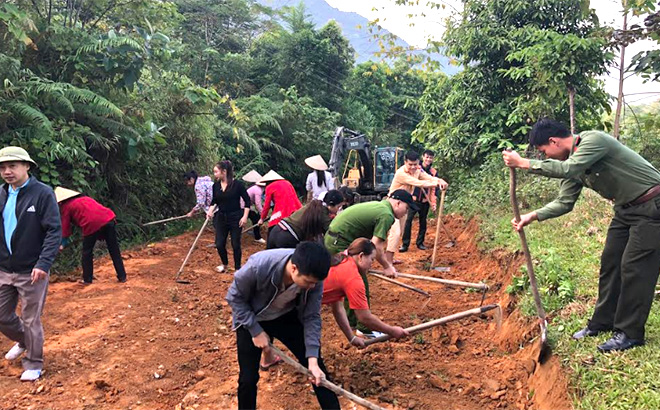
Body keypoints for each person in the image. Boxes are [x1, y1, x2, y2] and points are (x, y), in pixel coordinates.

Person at [502, 118, 660, 353]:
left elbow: (567, 169)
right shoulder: (573, 165)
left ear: (554, 141)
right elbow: (565, 202)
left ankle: (629, 333)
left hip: (651, 206)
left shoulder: (593, 141)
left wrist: (524, 163)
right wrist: (532, 216)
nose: (546, 157)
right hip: (625, 211)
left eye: (544, 151)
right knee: (611, 263)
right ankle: (602, 322)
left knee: (634, 268)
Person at [259, 238, 409, 368]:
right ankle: (314, 372)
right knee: (300, 335)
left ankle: (268, 356)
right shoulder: (353, 279)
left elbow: (337, 307)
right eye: (371, 259)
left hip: (294, 297)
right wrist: (392, 331)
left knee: (270, 316)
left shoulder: (344, 257)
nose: (372, 264)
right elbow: (364, 318)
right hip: (296, 299)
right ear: (361, 256)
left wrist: (350, 337)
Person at [226, 242, 340, 410]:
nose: (312, 287)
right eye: (308, 282)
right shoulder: (258, 266)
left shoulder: (314, 278)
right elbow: (234, 297)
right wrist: (255, 330)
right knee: (248, 379)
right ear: (294, 269)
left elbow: (312, 316)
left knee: (317, 370)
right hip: (252, 317)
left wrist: (313, 361)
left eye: (315, 283)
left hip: (284, 316)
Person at [0, 146, 61, 381]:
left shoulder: (43, 193)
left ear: (27, 166)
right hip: (5, 268)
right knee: (2, 315)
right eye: (3, 167)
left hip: (32, 269)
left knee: (30, 317)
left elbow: (54, 231)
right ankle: (25, 340)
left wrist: (43, 264)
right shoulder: (2, 193)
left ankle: (34, 363)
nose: (7, 171)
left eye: (13, 166)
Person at [324, 190, 416, 332]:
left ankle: (353, 322)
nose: (406, 212)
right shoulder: (386, 215)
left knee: (352, 279)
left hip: (335, 237)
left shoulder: (381, 207)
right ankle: (363, 327)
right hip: (339, 242)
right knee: (357, 282)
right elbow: (376, 245)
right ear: (398, 203)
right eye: (407, 208)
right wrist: (387, 266)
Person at [387, 151, 448, 264]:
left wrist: (439, 180)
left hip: (403, 206)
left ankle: (391, 257)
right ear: (405, 162)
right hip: (392, 205)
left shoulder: (418, 170)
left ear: (418, 163)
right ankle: (388, 262)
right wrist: (436, 184)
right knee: (395, 233)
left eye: (415, 164)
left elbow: (428, 177)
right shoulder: (401, 173)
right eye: (410, 164)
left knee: (399, 232)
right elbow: (417, 182)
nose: (413, 167)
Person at [56, 187, 127, 284]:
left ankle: (87, 279)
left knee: (87, 252)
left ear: (60, 202)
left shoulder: (66, 207)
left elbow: (65, 228)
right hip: (109, 219)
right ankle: (122, 276)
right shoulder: (86, 199)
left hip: (91, 224)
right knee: (114, 249)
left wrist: (63, 244)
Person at [206, 161, 250, 273]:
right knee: (219, 244)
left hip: (236, 217)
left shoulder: (238, 185)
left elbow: (247, 201)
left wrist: (244, 217)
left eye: (216, 172)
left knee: (235, 244)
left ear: (224, 172)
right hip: (221, 217)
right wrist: (210, 211)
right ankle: (225, 264)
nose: (214, 174)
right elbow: (214, 201)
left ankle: (237, 268)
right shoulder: (215, 186)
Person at [267, 190, 344, 249]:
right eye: (338, 207)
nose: (338, 210)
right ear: (331, 204)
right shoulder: (322, 213)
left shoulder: (315, 205)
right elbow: (331, 232)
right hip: (287, 237)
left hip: (276, 230)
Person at [401, 150, 438, 252]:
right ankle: (405, 244)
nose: (428, 159)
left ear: (432, 159)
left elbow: (433, 190)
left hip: (425, 201)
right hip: (414, 200)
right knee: (408, 221)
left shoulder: (433, 172)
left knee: (423, 222)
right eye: (426, 157)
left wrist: (433, 202)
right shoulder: (416, 168)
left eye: (430, 158)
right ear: (423, 157)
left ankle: (420, 243)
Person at [241, 170, 266, 245]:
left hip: (245, 205)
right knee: (254, 219)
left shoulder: (256, 188)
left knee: (255, 218)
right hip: (242, 206)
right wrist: (263, 214)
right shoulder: (258, 190)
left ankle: (257, 237)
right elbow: (258, 204)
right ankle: (257, 237)